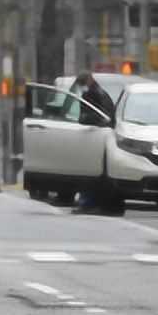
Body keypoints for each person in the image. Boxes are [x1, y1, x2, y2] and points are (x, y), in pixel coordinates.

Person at [71, 71, 118, 213]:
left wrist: (85, 119)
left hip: (95, 137)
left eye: (83, 84)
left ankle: (88, 203)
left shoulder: (94, 94)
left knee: (90, 175)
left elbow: (100, 116)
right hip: (95, 137)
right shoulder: (97, 93)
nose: (82, 87)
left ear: (89, 80)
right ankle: (89, 203)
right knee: (91, 174)